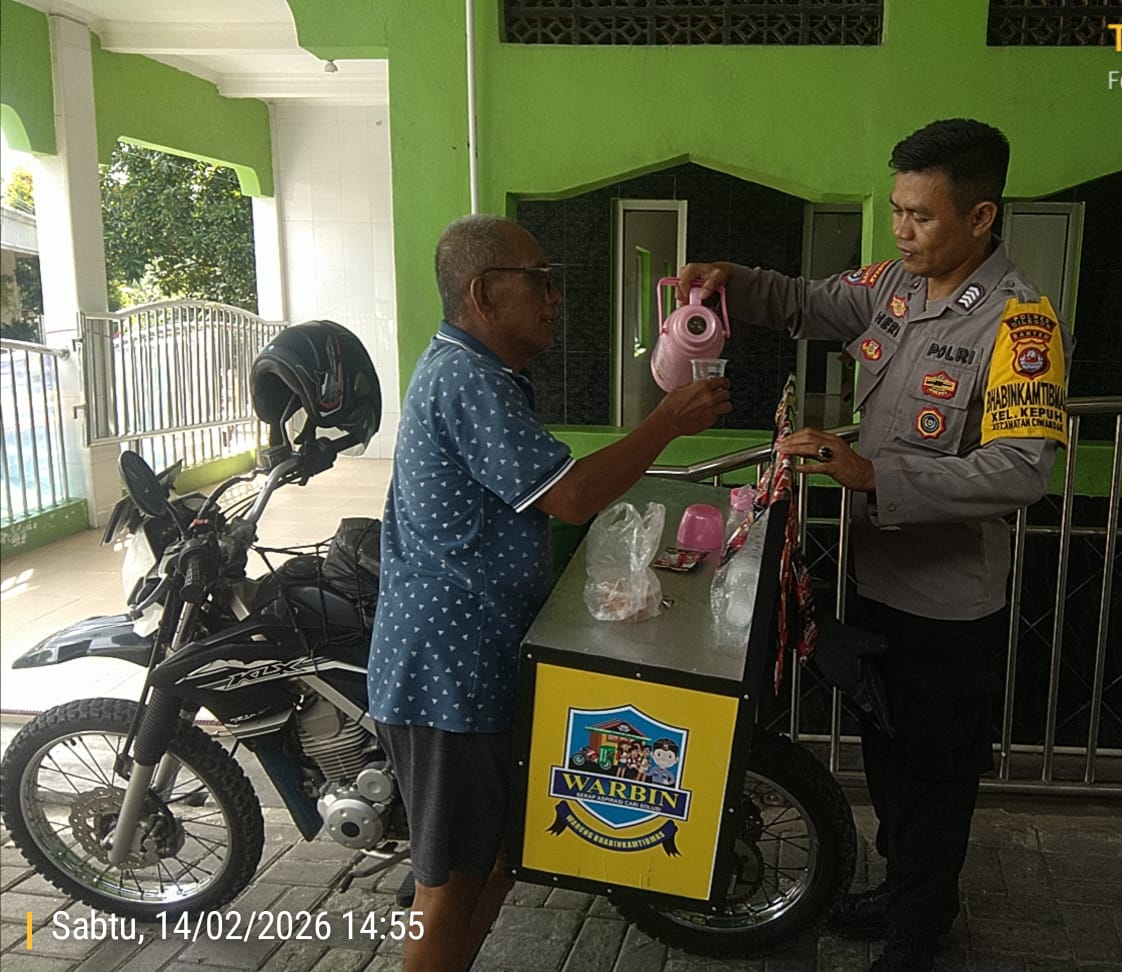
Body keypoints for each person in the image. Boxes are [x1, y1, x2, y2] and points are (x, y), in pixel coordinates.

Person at [676, 119, 1071, 972]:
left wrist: (872, 475)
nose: (900, 230)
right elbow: (809, 302)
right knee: (890, 766)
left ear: (981, 216)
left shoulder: (1020, 324)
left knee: (933, 779)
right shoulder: (896, 284)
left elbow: (1022, 469)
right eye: (896, 209)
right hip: (877, 581)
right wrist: (730, 280)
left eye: (920, 216)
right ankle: (905, 893)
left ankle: (918, 933)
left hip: (948, 607)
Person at [369, 214, 732, 972]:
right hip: (449, 676)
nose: (554, 298)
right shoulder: (467, 379)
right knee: (449, 882)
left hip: (480, 664)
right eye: (539, 281)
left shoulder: (487, 373)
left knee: (498, 858)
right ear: (483, 293)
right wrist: (665, 422)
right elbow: (570, 497)